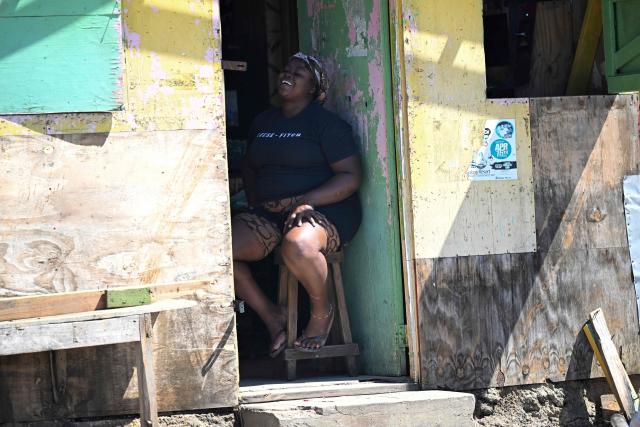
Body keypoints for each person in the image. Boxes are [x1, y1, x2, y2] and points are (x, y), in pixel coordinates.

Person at [232, 52, 362, 356]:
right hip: (270, 213)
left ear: (314, 89)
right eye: (286, 69)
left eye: (299, 73)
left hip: (324, 209)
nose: (287, 74)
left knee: (298, 246)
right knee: (218, 257)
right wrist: (256, 204)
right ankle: (272, 317)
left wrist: (307, 201)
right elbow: (250, 167)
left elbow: (351, 177)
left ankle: (321, 313)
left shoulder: (326, 125)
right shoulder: (264, 121)